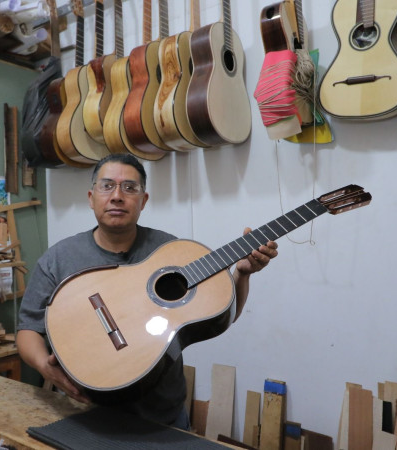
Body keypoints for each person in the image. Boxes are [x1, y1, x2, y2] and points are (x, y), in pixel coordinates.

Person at [16, 153, 279, 430]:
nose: (117, 196)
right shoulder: (58, 258)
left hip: (163, 417)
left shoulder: (171, 252)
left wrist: (242, 273)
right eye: (107, 186)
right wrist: (45, 367)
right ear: (91, 197)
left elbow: (218, 314)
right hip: (79, 416)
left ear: (143, 201)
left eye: (130, 188)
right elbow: (27, 330)